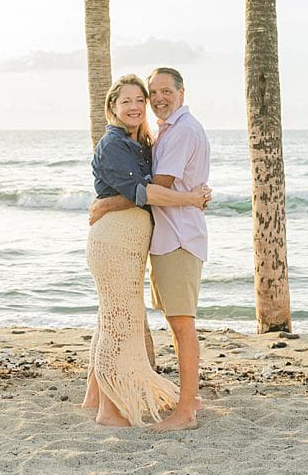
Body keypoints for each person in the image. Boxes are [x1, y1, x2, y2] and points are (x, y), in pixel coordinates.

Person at [82, 74, 211, 427]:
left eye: (142, 98)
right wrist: (191, 199)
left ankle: (95, 396)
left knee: (112, 317)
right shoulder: (115, 144)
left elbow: (148, 188)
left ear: (182, 93)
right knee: (118, 322)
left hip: (141, 240)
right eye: (128, 100)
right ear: (112, 107)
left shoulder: (147, 140)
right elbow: (147, 191)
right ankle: (107, 409)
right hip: (116, 242)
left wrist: (108, 203)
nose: (139, 105)